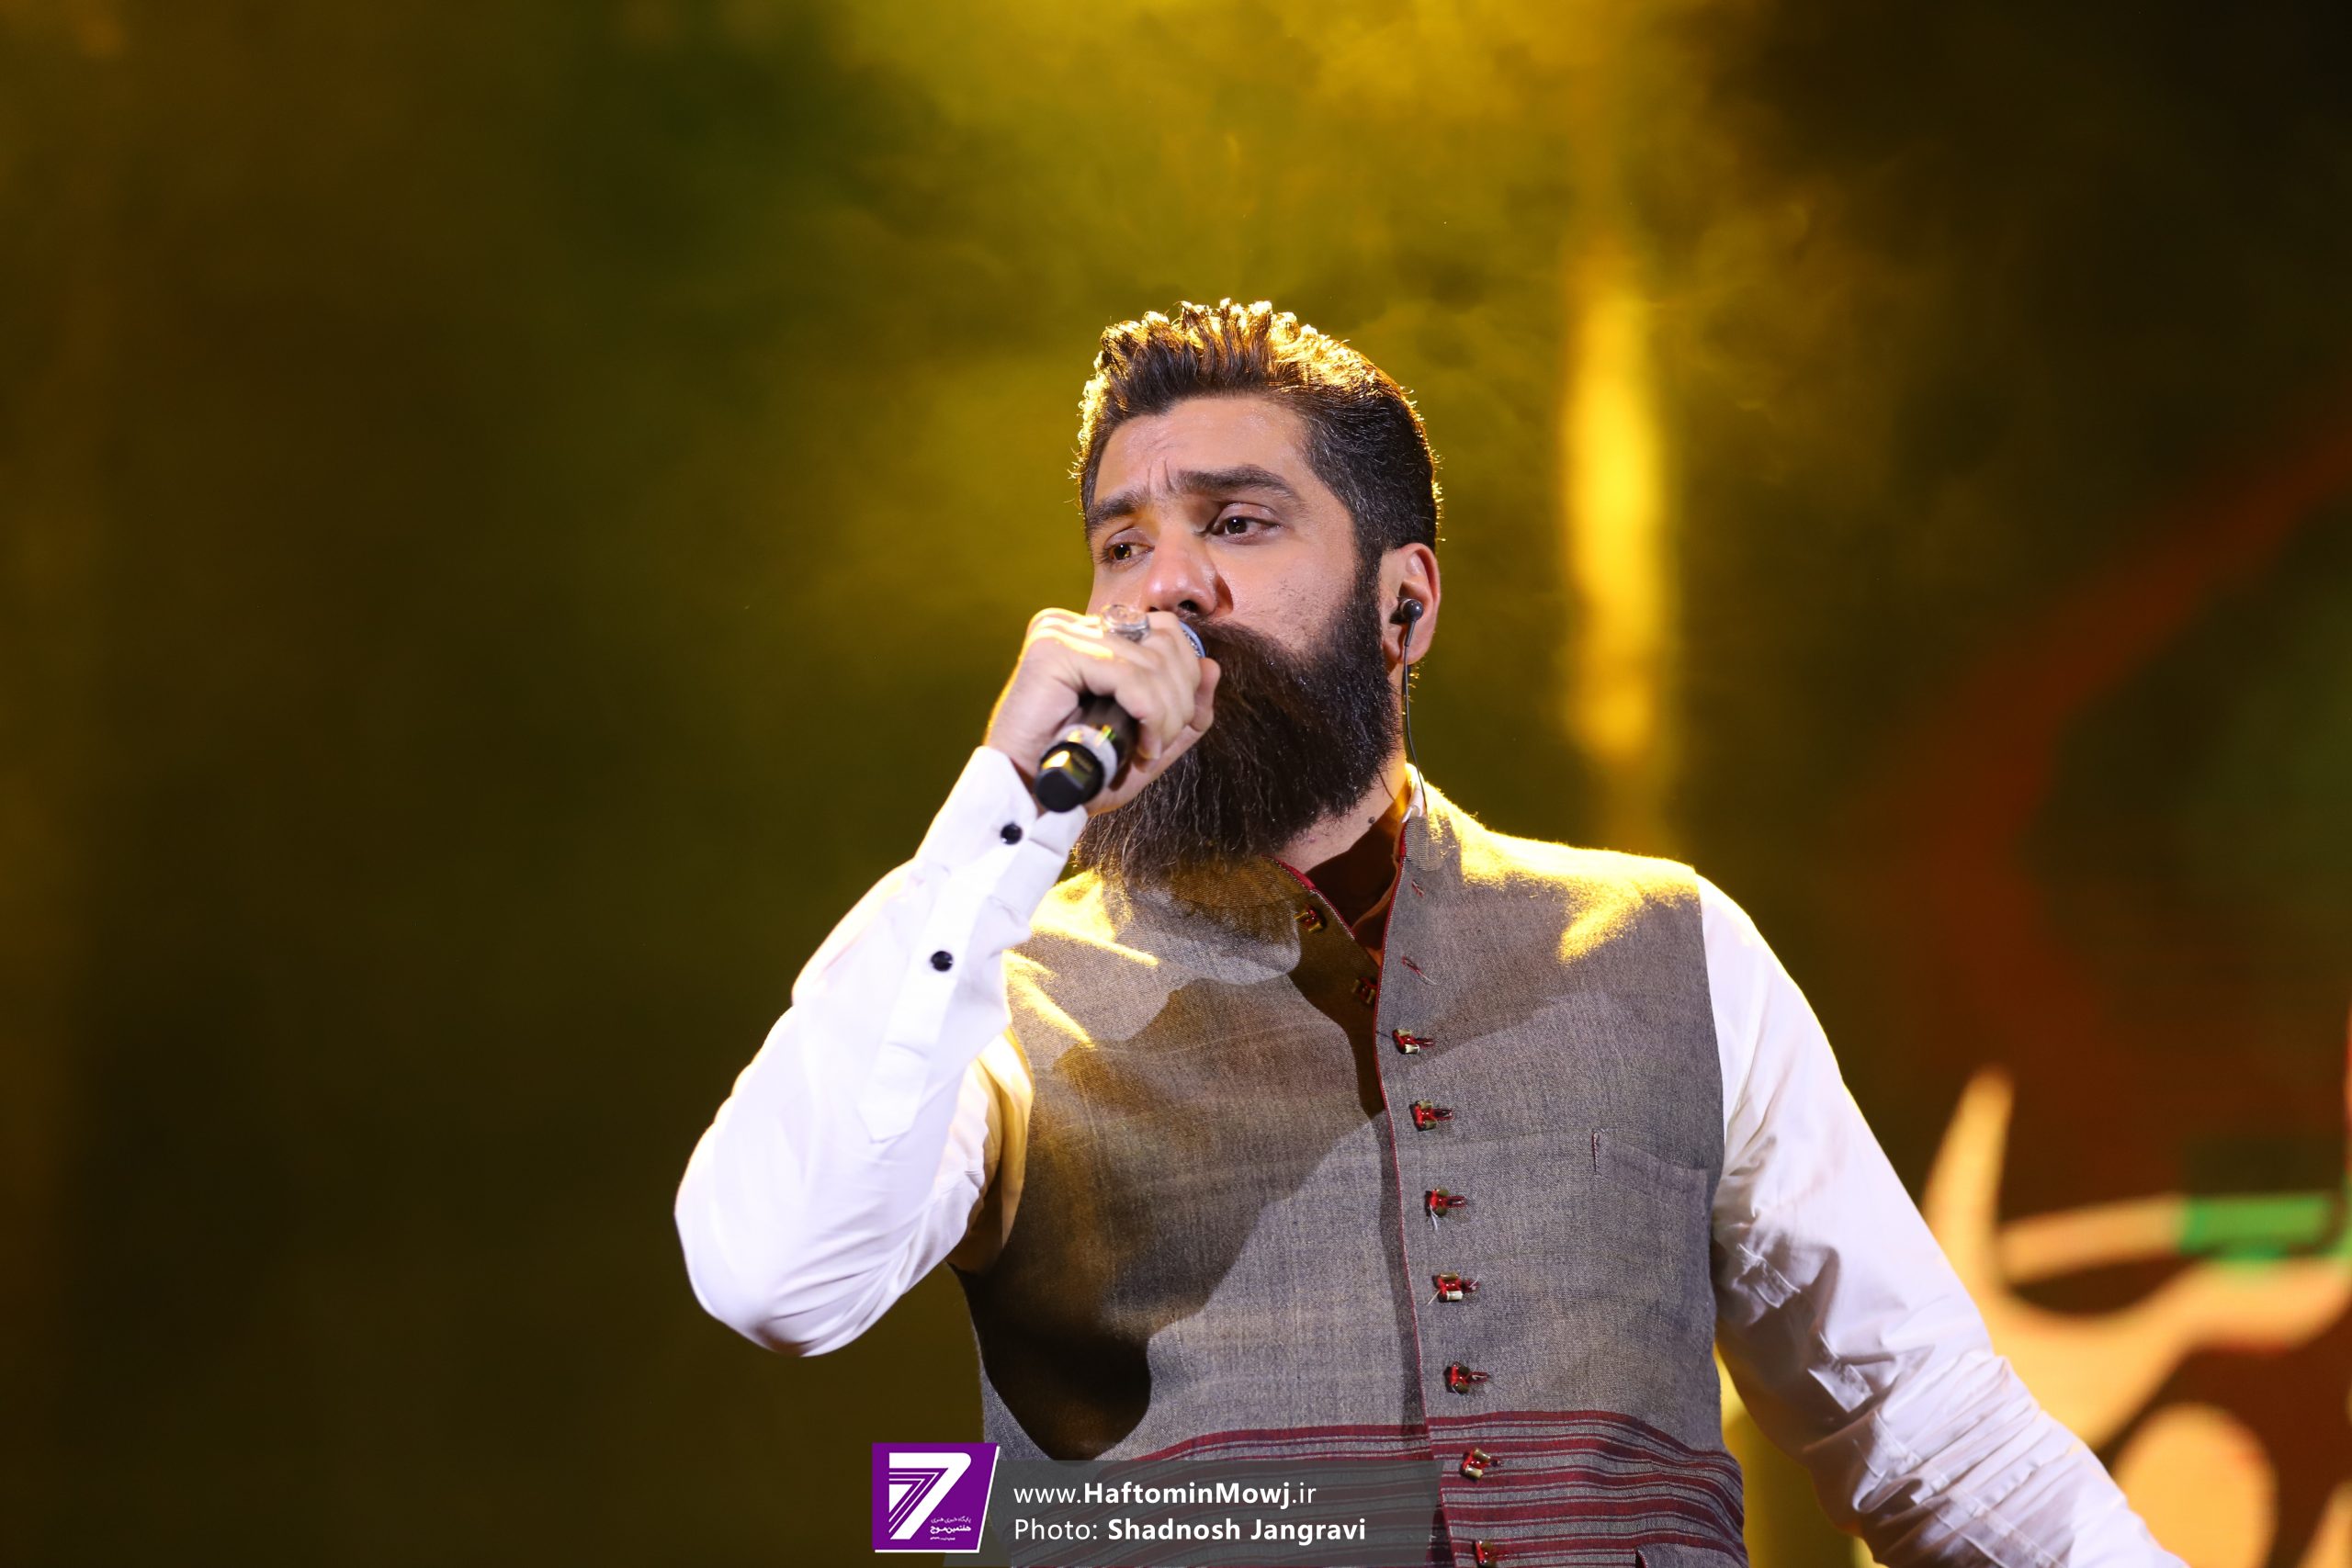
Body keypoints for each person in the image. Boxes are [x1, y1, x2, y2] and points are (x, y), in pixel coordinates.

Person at [673, 299, 2180, 1565]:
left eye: (1237, 523)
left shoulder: (1673, 948)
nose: (1165, 587)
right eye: (1121, 546)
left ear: (1405, 607)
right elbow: (773, 1276)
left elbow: (1937, 1439)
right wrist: (1006, 810)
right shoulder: (997, 988)